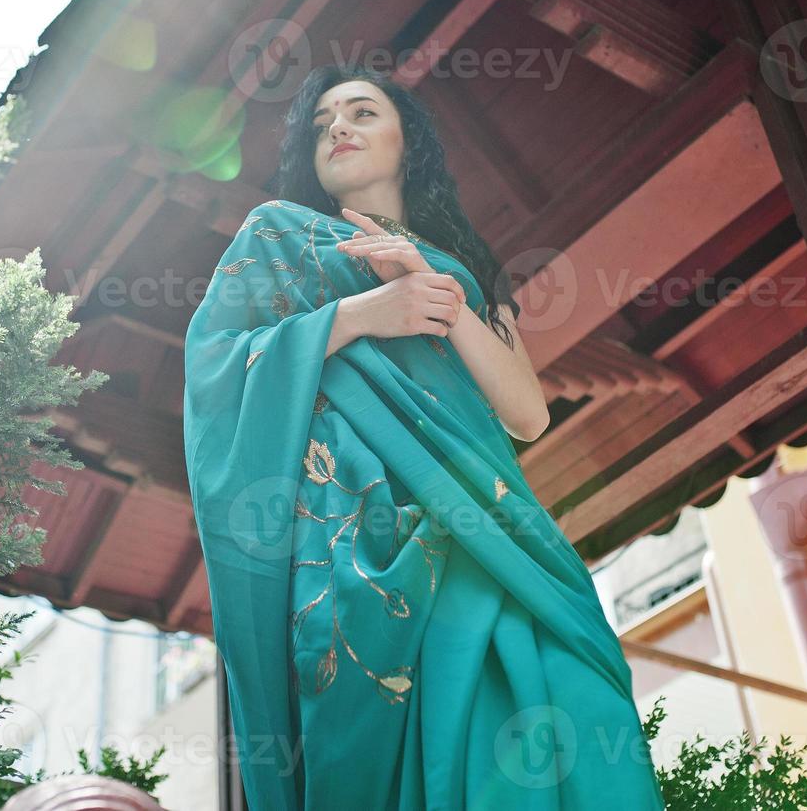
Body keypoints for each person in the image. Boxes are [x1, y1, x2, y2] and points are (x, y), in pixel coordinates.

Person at [183, 64, 665, 810]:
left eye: (361, 113)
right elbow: (216, 368)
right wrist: (363, 315)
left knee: (570, 695)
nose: (337, 127)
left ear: (410, 144)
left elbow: (526, 415)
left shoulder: (462, 266)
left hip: (486, 527)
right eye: (321, 124)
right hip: (361, 534)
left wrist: (433, 292)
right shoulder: (277, 236)